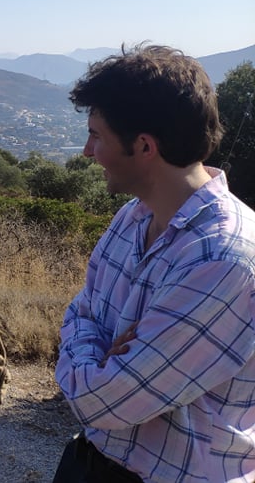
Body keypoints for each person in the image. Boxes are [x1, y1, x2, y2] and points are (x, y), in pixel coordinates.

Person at [53, 45, 255, 482]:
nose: (88, 151)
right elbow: (80, 311)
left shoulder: (222, 257)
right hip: (91, 460)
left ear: (144, 146)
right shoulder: (133, 215)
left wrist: (92, 356)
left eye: (97, 135)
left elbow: (104, 401)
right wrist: (99, 351)